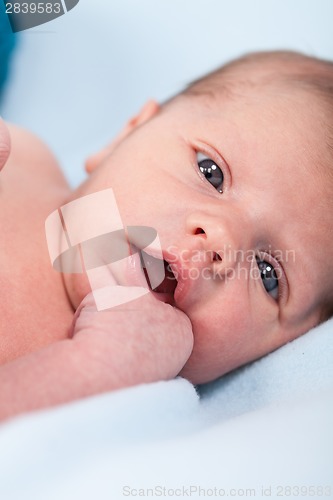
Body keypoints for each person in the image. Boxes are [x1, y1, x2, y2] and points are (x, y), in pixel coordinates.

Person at [0, 50, 332, 421]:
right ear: (126, 135)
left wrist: (95, 368)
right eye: (211, 172)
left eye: (268, 274)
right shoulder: (22, 158)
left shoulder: (138, 402)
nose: (221, 239)